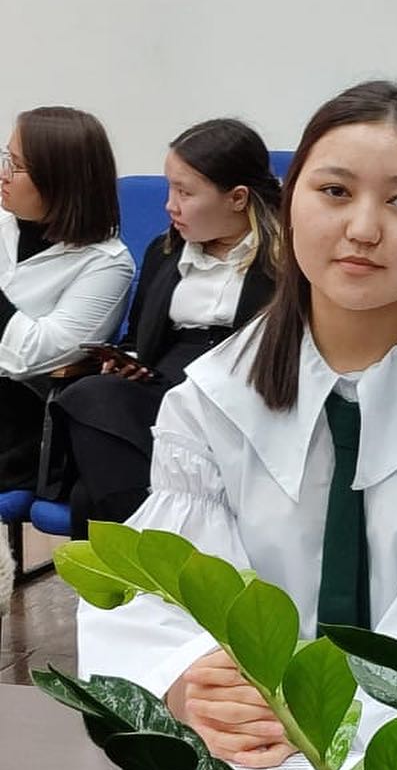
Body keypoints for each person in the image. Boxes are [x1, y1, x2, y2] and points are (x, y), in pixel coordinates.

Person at [78, 81, 397, 768]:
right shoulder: (212, 397)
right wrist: (192, 683)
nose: (363, 228)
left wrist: (318, 718)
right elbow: (165, 590)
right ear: (289, 204)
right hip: (248, 765)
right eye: (334, 191)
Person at [53, 118, 282, 537]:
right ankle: (161, 545)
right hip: (167, 390)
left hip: (243, 398)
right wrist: (127, 362)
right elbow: (137, 339)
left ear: (237, 198)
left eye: (185, 192)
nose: (170, 206)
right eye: (169, 189)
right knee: (89, 393)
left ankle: (144, 552)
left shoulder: (289, 262)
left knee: (89, 494)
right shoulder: (164, 253)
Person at [0, 107, 133, 491]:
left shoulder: (107, 263)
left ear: (59, 179)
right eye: (7, 158)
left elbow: (31, 356)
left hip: (20, 417)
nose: (4, 175)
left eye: (17, 166)